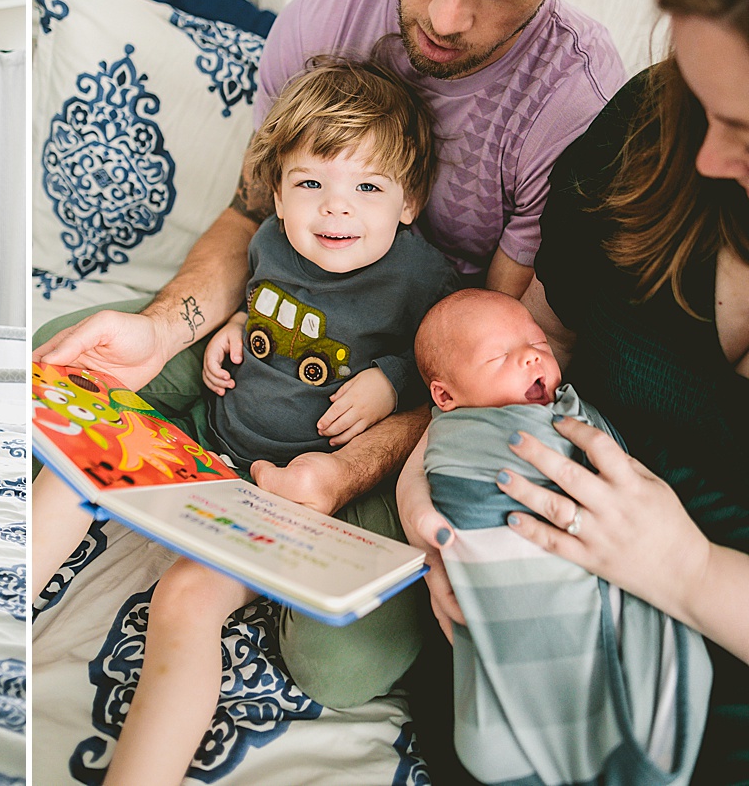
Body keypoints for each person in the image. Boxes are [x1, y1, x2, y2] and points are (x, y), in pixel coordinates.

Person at [34, 0, 692, 775]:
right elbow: (249, 218)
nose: (444, 10)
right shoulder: (316, 28)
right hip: (270, 344)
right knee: (71, 348)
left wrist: (348, 468)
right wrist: (163, 324)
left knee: (339, 663)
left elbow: (497, 351)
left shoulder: (571, 102)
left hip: (406, 393)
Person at [403, 0, 749, 782]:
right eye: (702, 100)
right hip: (535, 604)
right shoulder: (651, 130)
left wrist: (684, 574)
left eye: (747, 129)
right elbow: (529, 344)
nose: (713, 157)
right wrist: (438, 511)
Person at [36, 59, 458, 783]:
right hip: (215, 444)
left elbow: (437, 376)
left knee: (185, 601)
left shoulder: (420, 278)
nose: (336, 210)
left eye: (367, 187)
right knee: (79, 465)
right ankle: (5, 600)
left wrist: (388, 385)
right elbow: (265, 296)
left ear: (409, 201)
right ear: (278, 192)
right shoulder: (269, 241)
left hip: (291, 494)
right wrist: (233, 325)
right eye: (311, 185)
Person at [416, 289, 710, 786]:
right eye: (499, 355)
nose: (533, 354)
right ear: (445, 398)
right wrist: (415, 498)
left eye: (535, 343)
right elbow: (452, 462)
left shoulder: (569, 410)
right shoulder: (460, 437)